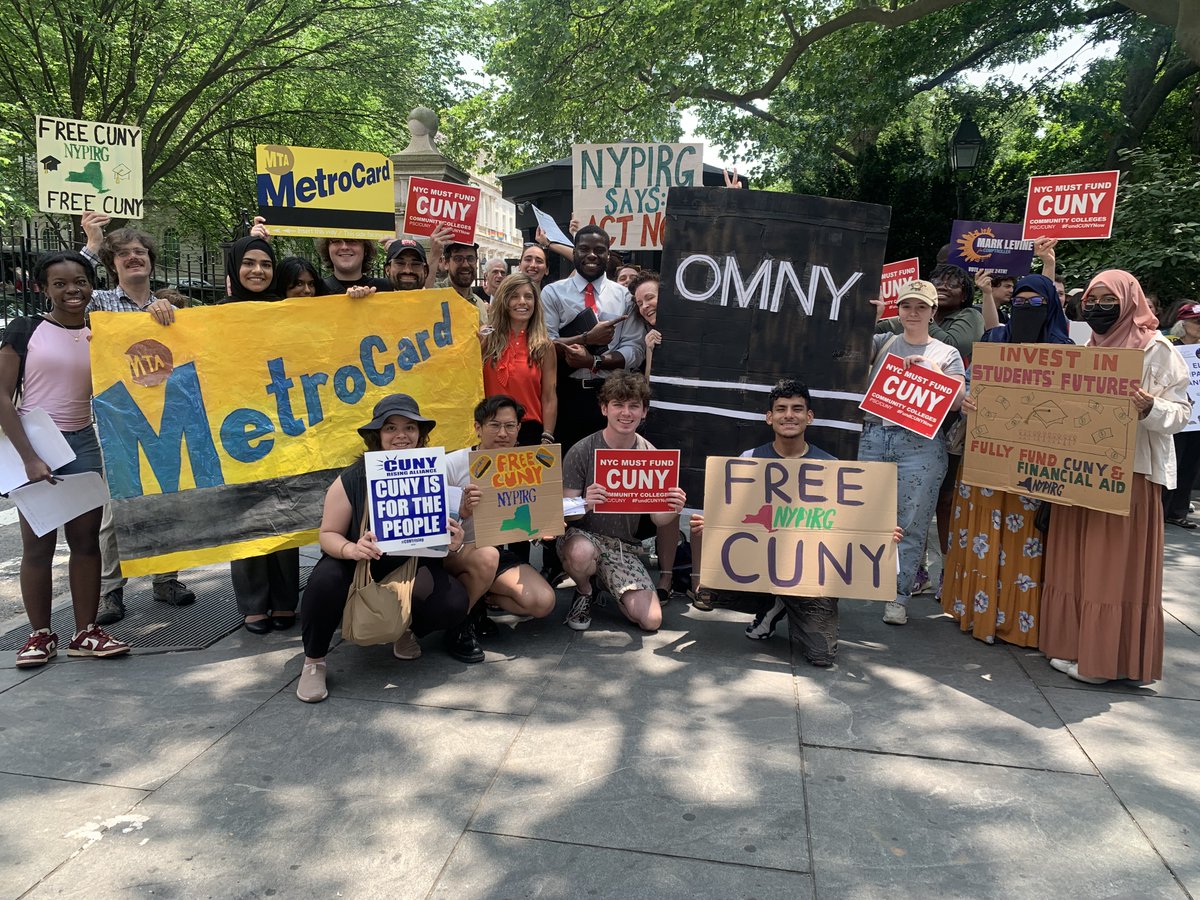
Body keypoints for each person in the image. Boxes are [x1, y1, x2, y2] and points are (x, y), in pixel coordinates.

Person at [1039, 271, 1190, 684]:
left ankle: (1103, 662)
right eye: (1092, 298)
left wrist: (1150, 408)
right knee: (1075, 563)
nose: (1097, 306)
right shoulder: (1087, 347)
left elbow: (1182, 413)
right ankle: (1073, 645)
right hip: (1081, 473)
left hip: (1131, 475)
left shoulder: (1156, 349)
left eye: (1108, 299)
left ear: (1129, 300)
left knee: (1110, 568)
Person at [296, 394, 473, 702]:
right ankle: (314, 661)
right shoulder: (353, 477)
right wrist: (351, 549)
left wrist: (453, 542)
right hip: (356, 565)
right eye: (391, 428)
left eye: (409, 427)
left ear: (420, 434)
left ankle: (405, 628)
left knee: (452, 602)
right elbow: (327, 534)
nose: (401, 435)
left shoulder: (432, 472)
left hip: (412, 565)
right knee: (325, 580)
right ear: (377, 435)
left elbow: (443, 536)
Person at [1, 252, 130, 666]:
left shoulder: (102, 330)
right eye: (60, 283)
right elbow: (1, 396)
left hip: (82, 444)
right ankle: (39, 635)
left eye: (80, 281)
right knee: (37, 545)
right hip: (35, 444)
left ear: (92, 285)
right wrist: (28, 457)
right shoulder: (26, 330)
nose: (72, 290)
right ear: (44, 289)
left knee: (86, 543)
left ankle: (86, 632)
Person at [941, 274, 1072, 647]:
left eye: (1036, 304)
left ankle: (1017, 619)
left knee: (1023, 540)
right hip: (986, 459)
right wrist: (966, 400)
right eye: (1019, 301)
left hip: (1032, 468)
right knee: (981, 532)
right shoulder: (995, 339)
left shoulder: (1066, 350)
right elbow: (970, 381)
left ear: (1051, 307)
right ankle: (974, 610)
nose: (1026, 309)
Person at [79, 212, 196, 624]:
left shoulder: (172, 306)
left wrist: (169, 313)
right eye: (124, 253)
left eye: (140, 252)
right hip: (118, 419)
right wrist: (91, 246)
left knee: (167, 500)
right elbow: (66, 292)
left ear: (151, 260)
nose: (134, 258)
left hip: (167, 416)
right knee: (116, 511)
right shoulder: (98, 303)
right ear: (112, 264)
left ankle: (166, 579)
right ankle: (111, 590)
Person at [687, 380, 842, 666]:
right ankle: (773, 602)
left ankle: (784, 603)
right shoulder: (749, 460)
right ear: (769, 417)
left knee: (822, 656)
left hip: (806, 575)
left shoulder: (831, 467)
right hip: (759, 564)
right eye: (781, 409)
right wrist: (714, 525)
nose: (789, 415)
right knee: (709, 587)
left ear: (810, 416)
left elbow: (846, 529)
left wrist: (880, 535)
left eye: (797, 409)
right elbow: (733, 515)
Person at [860, 280, 965, 626]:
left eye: (921, 307)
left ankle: (898, 596)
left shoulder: (945, 353)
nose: (913, 313)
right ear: (898, 310)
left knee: (910, 525)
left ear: (934, 312)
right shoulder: (881, 341)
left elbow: (961, 402)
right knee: (859, 516)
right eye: (907, 306)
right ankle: (855, 582)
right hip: (873, 437)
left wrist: (934, 374)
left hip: (920, 446)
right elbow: (845, 357)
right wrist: (868, 320)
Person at [217, 236, 301, 634]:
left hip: (284, 425)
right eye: (249, 263)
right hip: (237, 429)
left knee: (286, 510)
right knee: (247, 516)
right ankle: (253, 604)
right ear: (235, 268)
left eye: (266, 265)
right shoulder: (213, 317)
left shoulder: (287, 311)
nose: (257, 271)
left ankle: (285, 601)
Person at [558, 372, 686, 632]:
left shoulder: (651, 455)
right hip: (581, 535)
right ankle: (584, 592)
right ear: (604, 408)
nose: (626, 413)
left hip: (622, 548)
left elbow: (657, 519)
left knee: (651, 620)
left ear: (644, 412)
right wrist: (585, 503)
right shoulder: (582, 450)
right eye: (618, 404)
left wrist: (673, 508)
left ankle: (605, 582)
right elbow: (564, 514)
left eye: (634, 406)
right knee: (581, 553)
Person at [442, 396, 557, 627]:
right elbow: (431, 526)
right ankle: (458, 626)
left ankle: (480, 601)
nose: (503, 433)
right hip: (454, 554)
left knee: (543, 602)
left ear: (519, 428)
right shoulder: (451, 464)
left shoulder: (528, 463)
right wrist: (461, 512)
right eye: (494, 425)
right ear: (478, 428)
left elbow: (524, 518)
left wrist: (543, 526)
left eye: (509, 426)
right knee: (487, 555)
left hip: (492, 554)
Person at [540, 225, 646, 450]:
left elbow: (634, 349)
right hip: (566, 395)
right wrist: (587, 338)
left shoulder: (625, 297)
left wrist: (593, 361)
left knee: (609, 469)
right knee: (568, 469)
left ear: (608, 253)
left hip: (613, 395)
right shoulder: (552, 293)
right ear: (575, 251)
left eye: (599, 250)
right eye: (584, 249)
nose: (591, 255)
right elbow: (544, 345)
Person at [481, 272, 558, 448]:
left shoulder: (544, 346)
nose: (522, 301)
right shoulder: (486, 339)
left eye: (528, 297)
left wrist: (547, 436)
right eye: (514, 296)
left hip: (529, 431)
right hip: (489, 430)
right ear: (503, 301)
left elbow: (549, 396)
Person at [1163, 302, 1200, 528]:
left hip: (1197, 418)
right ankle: (1161, 510)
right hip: (1175, 414)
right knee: (1171, 463)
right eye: (1197, 322)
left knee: (1190, 465)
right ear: (1182, 323)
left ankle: (1178, 512)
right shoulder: (1169, 346)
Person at [315, 238, 391, 293]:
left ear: (365, 249)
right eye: (336, 241)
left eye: (352, 241)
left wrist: (397, 246)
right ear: (327, 249)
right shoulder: (314, 290)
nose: (344, 247)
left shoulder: (388, 288)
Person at [442, 241, 488, 321]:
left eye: (471, 259)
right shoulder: (435, 294)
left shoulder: (479, 304)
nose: (465, 264)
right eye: (458, 259)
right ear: (446, 263)